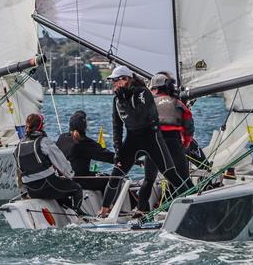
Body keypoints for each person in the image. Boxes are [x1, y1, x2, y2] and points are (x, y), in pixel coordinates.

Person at [99, 66, 191, 217]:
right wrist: (118, 150)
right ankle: (103, 210)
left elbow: (141, 118)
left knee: (170, 173)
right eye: (112, 81)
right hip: (132, 140)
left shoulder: (143, 93)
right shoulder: (117, 100)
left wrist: (125, 101)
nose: (114, 84)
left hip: (152, 138)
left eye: (116, 80)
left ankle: (190, 202)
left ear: (126, 79)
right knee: (116, 175)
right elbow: (117, 126)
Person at [136, 72, 194, 211]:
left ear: (154, 89)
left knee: (148, 180)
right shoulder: (179, 103)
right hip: (173, 142)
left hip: (153, 142)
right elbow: (189, 126)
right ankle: (192, 207)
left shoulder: (147, 103)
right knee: (184, 178)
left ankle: (140, 211)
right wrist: (185, 144)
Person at [15, 113, 84, 213]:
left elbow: (18, 172)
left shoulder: (19, 145)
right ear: (41, 126)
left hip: (32, 190)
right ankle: (78, 214)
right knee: (76, 189)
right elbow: (62, 162)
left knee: (60, 190)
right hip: (47, 185)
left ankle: (65, 209)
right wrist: (70, 175)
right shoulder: (44, 142)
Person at [55, 110, 115, 191]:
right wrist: (130, 160)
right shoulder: (84, 143)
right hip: (79, 180)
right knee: (112, 180)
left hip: (62, 180)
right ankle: (107, 203)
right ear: (85, 127)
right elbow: (107, 156)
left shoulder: (62, 137)